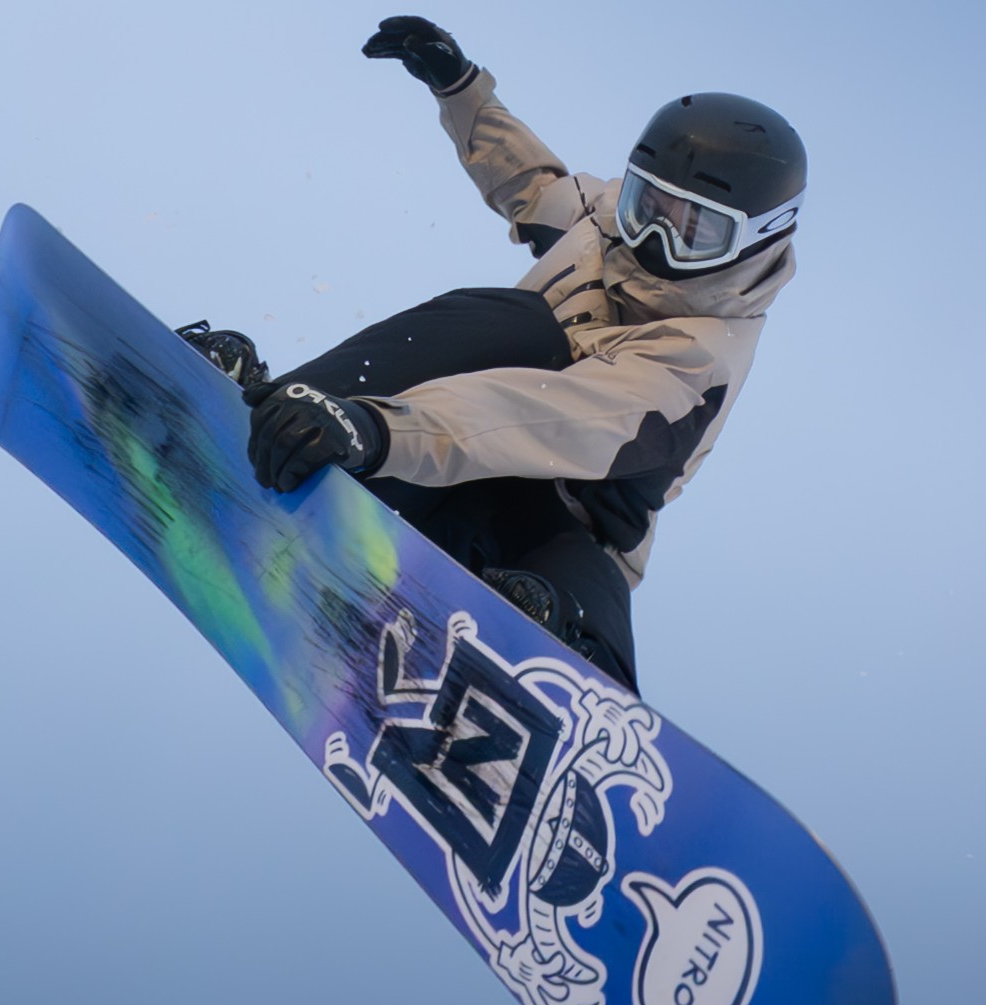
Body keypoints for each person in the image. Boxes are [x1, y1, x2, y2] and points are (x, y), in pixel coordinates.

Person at [179, 16, 807, 696]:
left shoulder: (700, 353)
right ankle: (284, 416)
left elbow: (557, 419)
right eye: (644, 204)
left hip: (531, 527)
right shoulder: (603, 229)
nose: (654, 236)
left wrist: (384, 430)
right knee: (499, 320)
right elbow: (533, 182)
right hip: (424, 468)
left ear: (758, 239)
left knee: (586, 558)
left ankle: (561, 657)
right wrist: (460, 89)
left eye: (694, 230)